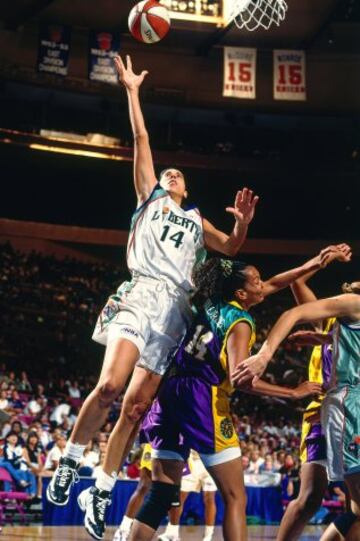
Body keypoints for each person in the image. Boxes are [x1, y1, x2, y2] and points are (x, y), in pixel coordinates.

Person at [47, 53, 259, 541]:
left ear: (187, 188)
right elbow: (141, 139)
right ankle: (71, 461)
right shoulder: (150, 197)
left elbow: (229, 247)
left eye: (180, 176)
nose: (172, 175)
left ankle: (99, 487)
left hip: (175, 314)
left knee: (136, 409)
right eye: (168, 173)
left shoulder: (195, 218)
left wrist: (242, 224)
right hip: (141, 294)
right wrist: (132, 91)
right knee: (109, 388)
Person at [127, 250, 337, 541]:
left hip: (169, 392)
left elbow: (275, 283)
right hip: (202, 398)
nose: (263, 284)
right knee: (236, 497)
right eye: (256, 281)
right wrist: (292, 393)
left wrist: (314, 263)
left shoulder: (209, 301)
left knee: (161, 492)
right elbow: (243, 380)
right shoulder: (239, 321)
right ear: (241, 292)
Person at [234, 280, 360, 541]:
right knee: (313, 497)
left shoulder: (339, 328)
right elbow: (298, 298)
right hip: (333, 407)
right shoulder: (338, 312)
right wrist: (264, 355)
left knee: (352, 506)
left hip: (345, 407)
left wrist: (322, 338)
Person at [276, 244, 352, 541]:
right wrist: (324, 260)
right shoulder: (328, 317)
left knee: (353, 502)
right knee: (309, 498)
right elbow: (297, 283)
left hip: (354, 411)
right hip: (323, 410)